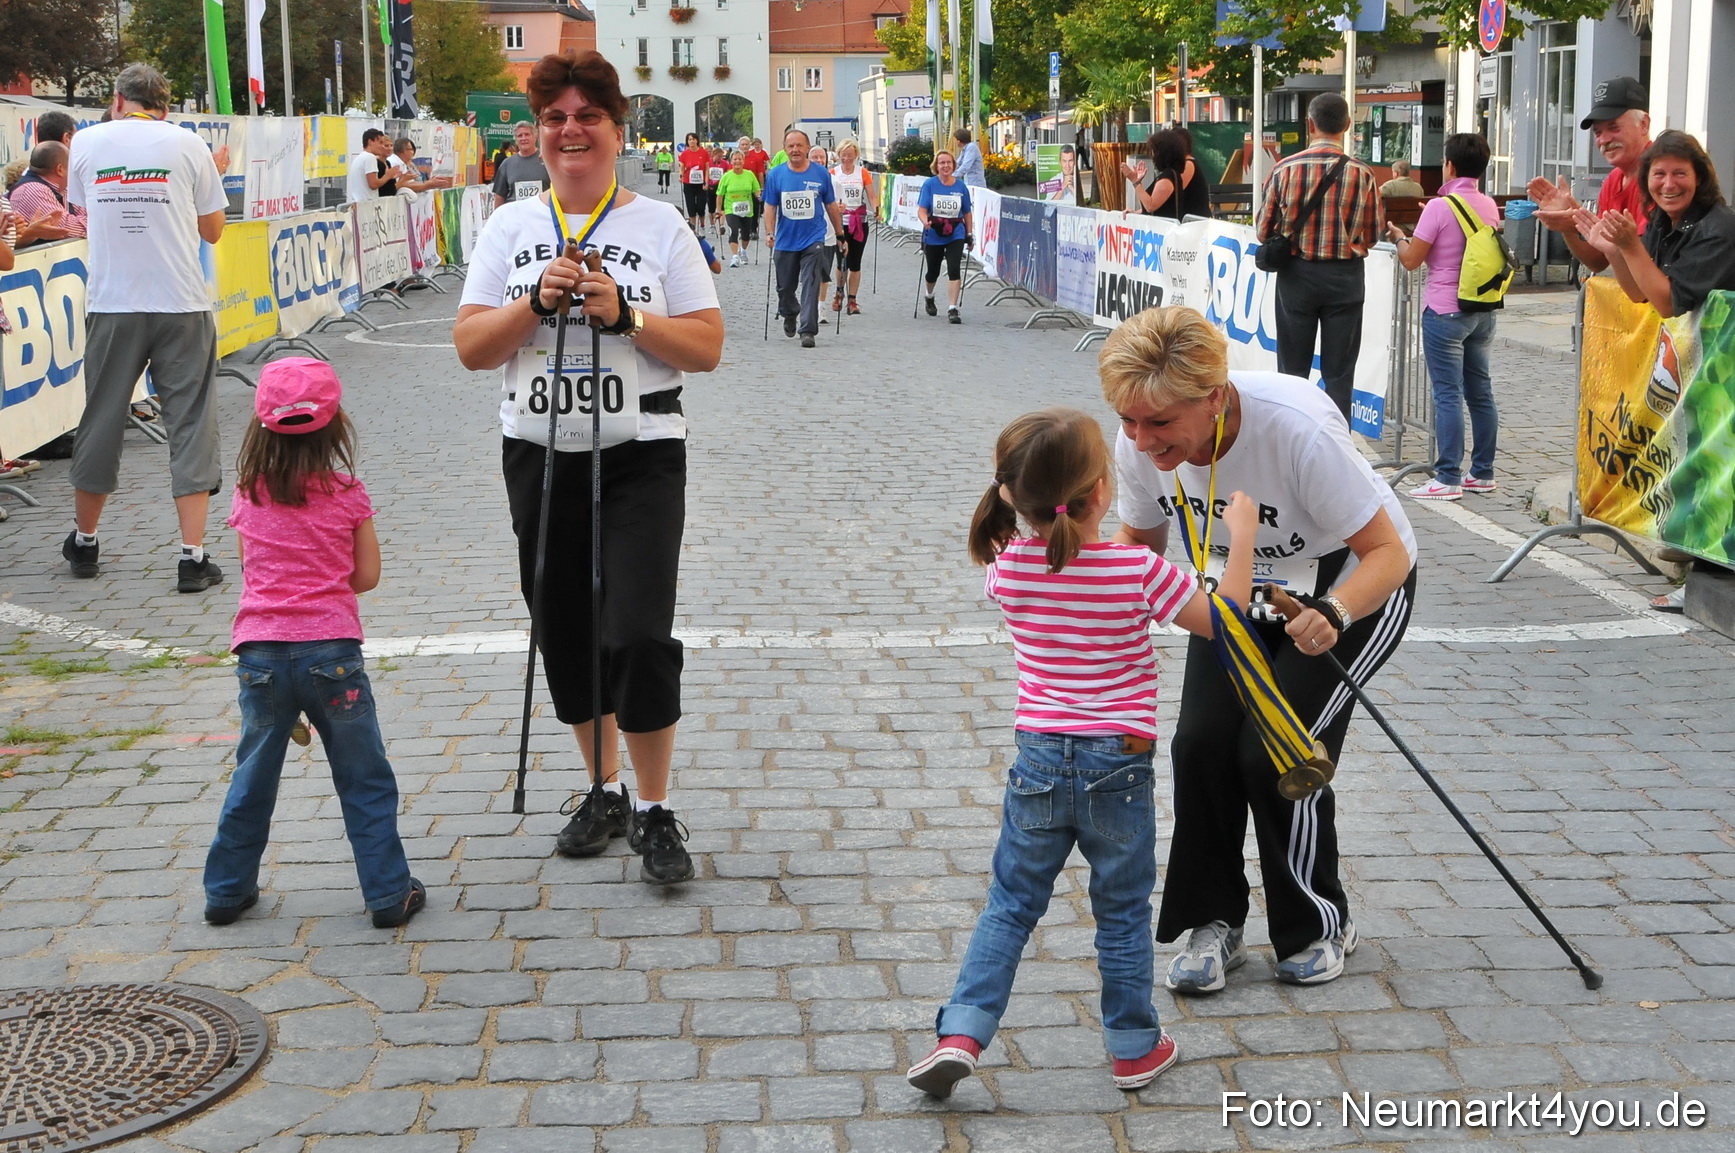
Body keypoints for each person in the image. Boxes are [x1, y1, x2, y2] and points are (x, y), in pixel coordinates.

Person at [904, 407, 1260, 1100]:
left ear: (1012, 494)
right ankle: (1132, 1045)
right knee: (1121, 913)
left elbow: (1020, 536)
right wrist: (1239, 537)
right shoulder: (1137, 570)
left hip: (1038, 756)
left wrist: (1011, 499)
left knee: (1009, 905)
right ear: (1102, 491)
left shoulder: (1008, 569)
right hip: (1120, 758)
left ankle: (961, 1033)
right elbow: (1226, 622)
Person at [453, 50, 723, 885]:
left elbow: (707, 345)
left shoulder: (659, 225)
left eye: (588, 117)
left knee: (637, 633)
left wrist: (628, 315)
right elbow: (471, 346)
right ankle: (602, 789)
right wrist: (534, 301)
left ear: (616, 130)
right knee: (565, 628)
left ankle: (654, 805)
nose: (570, 131)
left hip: (641, 452)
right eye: (555, 119)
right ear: (539, 133)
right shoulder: (508, 227)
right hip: (539, 453)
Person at [1105, 306, 1417, 993]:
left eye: (1159, 423)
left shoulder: (1294, 428)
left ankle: (1317, 923)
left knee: (1276, 747)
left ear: (1214, 398)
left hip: (1348, 586)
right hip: (1235, 592)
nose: (1141, 440)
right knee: (1200, 744)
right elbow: (1140, 547)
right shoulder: (1140, 443)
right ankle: (1213, 921)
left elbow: (1387, 554)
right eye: (1127, 420)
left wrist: (1334, 611)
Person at [202, 358, 425, 930]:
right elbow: (366, 575)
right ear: (336, 426)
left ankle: (226, 891)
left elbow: (252, 570)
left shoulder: (248, 494)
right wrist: (324, 579)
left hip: (260, 656)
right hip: (332, 654)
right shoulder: (347, 493)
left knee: (253, 775)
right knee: (363, 776)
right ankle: (388, 893)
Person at [62, 63, 231, 591]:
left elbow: (82, 212)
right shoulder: (190, 145)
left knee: (102, 416)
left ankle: (85, 541)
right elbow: (214, 230)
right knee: (191, 422)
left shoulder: (85, 142)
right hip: (180, 300)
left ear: (117, 100)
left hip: (113, 300)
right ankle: (192, 556)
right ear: (166, 105)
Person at [1385, 133, 1503, 502]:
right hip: (1481, 309)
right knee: (1480, 392)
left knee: (1447, 393)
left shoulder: (1439, 207)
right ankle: (1482, 472)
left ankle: (1448, 475)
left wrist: (1398, 236)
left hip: (1445, 309)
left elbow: (1411, 260)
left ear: (1449, 166)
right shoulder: (1488, 205)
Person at [1255, 92, 1382, 423]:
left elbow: (1263, 231)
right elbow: (1373, 233)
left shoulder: (1284, 169)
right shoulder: (1363, 174)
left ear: (1309, 124)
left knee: (1292, 371)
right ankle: (1336, 441)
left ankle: (1290, 436)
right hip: (1346, 279)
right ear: (1348, 125)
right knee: (1339, 375)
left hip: (1297, 277)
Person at [1576, 130, 1735, 319]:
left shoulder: (1717, 230)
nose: (1668, 184)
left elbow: (1668, 305)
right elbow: (1640, 293)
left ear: (1699, 178)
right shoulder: (1661, 220)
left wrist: (1631, 246)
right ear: (1646, 180)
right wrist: (1614, 250)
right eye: (1659, 174)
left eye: (1680, 173)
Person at [1528, 77, 1653, 273]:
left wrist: (1578, 221)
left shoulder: (1661, 177)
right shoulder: (1613, 181)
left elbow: (1649, 260)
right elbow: (1598, 261)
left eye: (1614, 127)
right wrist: (1570, 226)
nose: (1604, 140)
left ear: (1644, 124)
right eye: (1597, 132)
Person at [763, 128, 845, 349]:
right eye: (791, 146)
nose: (795, 150)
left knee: (811, 282)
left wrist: (840, 234)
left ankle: (808, 330)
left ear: (808, 147)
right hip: (786, 240)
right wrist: (769, 232)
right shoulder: (776, 175)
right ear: (784, 149)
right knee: (785, 287)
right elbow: (770, 206)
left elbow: (831, 205)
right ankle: (789, 312)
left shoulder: (821, 174)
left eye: (799, 145)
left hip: (813, 238)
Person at [917, 149, 973, 324]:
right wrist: (925, 221)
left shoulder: (960, 186)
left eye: (949, 162)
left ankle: (953, 308)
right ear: (936, 166)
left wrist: (969, 234)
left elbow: (967, 212)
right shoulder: (929, 185)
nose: (945, 166)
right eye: (942, 163)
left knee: (954, 268)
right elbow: (922, 210)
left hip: (955, 232)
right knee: (932, 272)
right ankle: (929, 296)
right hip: (934, 231)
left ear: (953, 165)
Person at [9, 140, 86, 247]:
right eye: (71, 167)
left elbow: (88, 214)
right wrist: (98, 221)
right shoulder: (33, 190)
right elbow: (67, 230)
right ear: (60, 169)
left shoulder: (62, 188)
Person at [830, 139, 874, 315]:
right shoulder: (833, 173)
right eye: (843, 155)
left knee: (855, 262)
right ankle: (839, 292)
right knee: (842, 261)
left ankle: (852, 300)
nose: (847, 159)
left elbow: (871, 195)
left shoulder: (862, 172)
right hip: (840, 223)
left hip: (859, 222)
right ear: (838, 155)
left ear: (856, 155)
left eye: (850, 155)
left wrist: (877, 209)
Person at [1122, 129, 1190, 219]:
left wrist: (1135, 181)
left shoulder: (1167, 178)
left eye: (1154, 150)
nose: (1152, 154)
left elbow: (1150, 206)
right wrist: (1135, 212)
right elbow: (1152, 205)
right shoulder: (1170, 174)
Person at [716, 150, 761, 267]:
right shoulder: (726, 177)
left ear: (743, 161)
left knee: (746, 234)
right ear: (731, 161)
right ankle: (734, 257)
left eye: (739, 159)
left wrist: (759, 196)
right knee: (733, 231)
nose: (737, 161)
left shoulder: (749, 174)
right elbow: (720, 195)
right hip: (731, 209)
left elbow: (756, 189)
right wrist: (718, 211)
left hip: (747, 210)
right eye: (735, 159)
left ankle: (743, 251)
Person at [491, 121, 551, 208]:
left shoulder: (548, 160)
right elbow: (499, 196)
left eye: (527, 134)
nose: (523, 138)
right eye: (520, 136)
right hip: (515, 215)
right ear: (516, 140)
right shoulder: (507, 164)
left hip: (542, 213)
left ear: (535, 137)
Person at [808, 145, 837, 321]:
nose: (819, 161)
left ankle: (821, 306)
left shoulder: (834, 181)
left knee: (824, 273)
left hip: (829, 235)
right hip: (807, 235)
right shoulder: (801, 179)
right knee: (810, 272)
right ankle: (809, 304)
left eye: (822, 158)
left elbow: (839, 206)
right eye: (815, 157)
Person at [388, 138, 453, 197]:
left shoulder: (402, 163)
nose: (413, 152)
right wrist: (429, 184)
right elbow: (403, 186)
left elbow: (411, 183)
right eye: (410, 149)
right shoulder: (395, 163)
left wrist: (430, 182)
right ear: (402, 151)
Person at [347, 128, 395, 204]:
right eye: (380, 143)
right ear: (370, 142)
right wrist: (388, 175)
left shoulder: (359, 158)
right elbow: (373, 184)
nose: (383, 146)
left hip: (359, 203)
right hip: (367, 205)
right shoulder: (370, 157)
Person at [677, 132, 709, 230]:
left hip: (700, 183)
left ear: (697, 140)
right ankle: (693, 228)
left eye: (693, 139)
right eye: (690, 139)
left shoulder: (704, 153)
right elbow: (682, 167)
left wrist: (706, 181)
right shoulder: (684, 154)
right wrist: (681, 176)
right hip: (688, 183)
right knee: (691, 207)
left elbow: (707, 169)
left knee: (701, 206)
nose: (692, 141)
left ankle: (702, 224)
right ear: (687, 142)